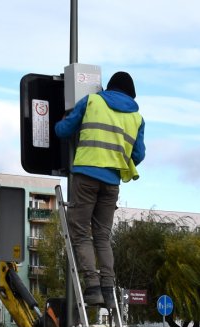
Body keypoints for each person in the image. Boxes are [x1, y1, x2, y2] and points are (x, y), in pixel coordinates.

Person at [54, 71, 145, 310]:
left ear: (108, 87)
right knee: (102, 236)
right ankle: (108, 286)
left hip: (85, 177)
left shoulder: (93, 101)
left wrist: (61, 120)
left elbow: (63, 131)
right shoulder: (137, 118)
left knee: (81, 232)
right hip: (112, 183)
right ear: (131, 94)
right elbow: (139, 155)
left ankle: (92, 287)